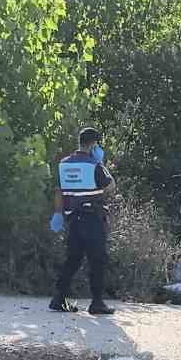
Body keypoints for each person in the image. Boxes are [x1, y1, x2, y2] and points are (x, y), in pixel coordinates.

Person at [50, 127, 117, 314]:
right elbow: (111, 186)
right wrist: (101, 163)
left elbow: (59, 192)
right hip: (92, 219)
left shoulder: (64, 164)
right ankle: (97, 303)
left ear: (79, 142)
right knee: (98, 260)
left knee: (73, 259)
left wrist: (58, 213)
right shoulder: (94, 165)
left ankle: (58, 298)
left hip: (73, 219)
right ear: (94, 145)